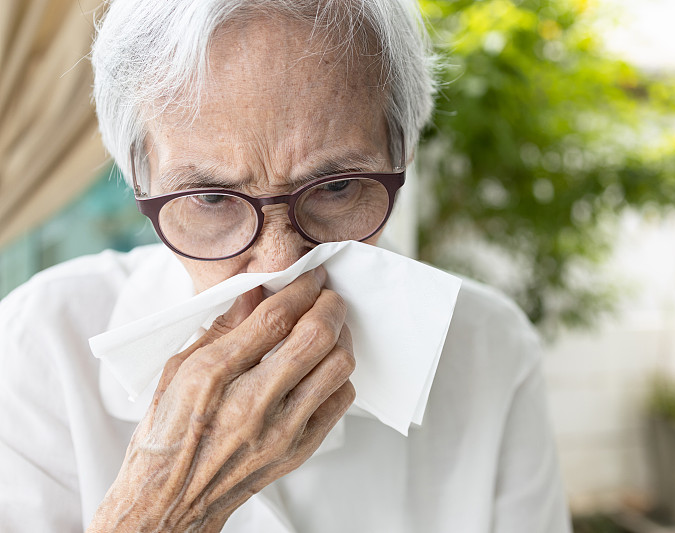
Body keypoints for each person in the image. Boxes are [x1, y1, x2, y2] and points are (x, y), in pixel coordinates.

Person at [0, 0, 572, 531]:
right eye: (211, 198)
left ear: (404, 155)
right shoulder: (39, 343)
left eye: (338, 187)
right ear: (139, 181)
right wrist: (163, 507)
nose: (281, 266)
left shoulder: (488, 349)